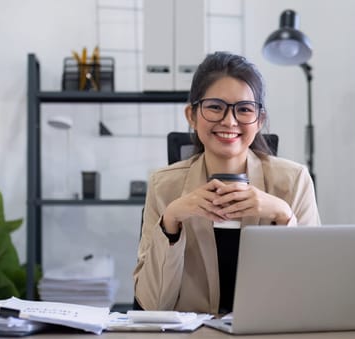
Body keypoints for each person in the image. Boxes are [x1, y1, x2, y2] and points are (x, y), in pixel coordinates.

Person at [133, 51, 320, 314]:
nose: (229, 121)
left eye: (244, 109)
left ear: (260, 120)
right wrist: (172, 219)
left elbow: (311, 295)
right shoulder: (164, 186)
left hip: (268, 338)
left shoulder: (294, 181)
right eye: (215, 107)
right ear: (192, 115)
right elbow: (153, 305)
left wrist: (283, 214)